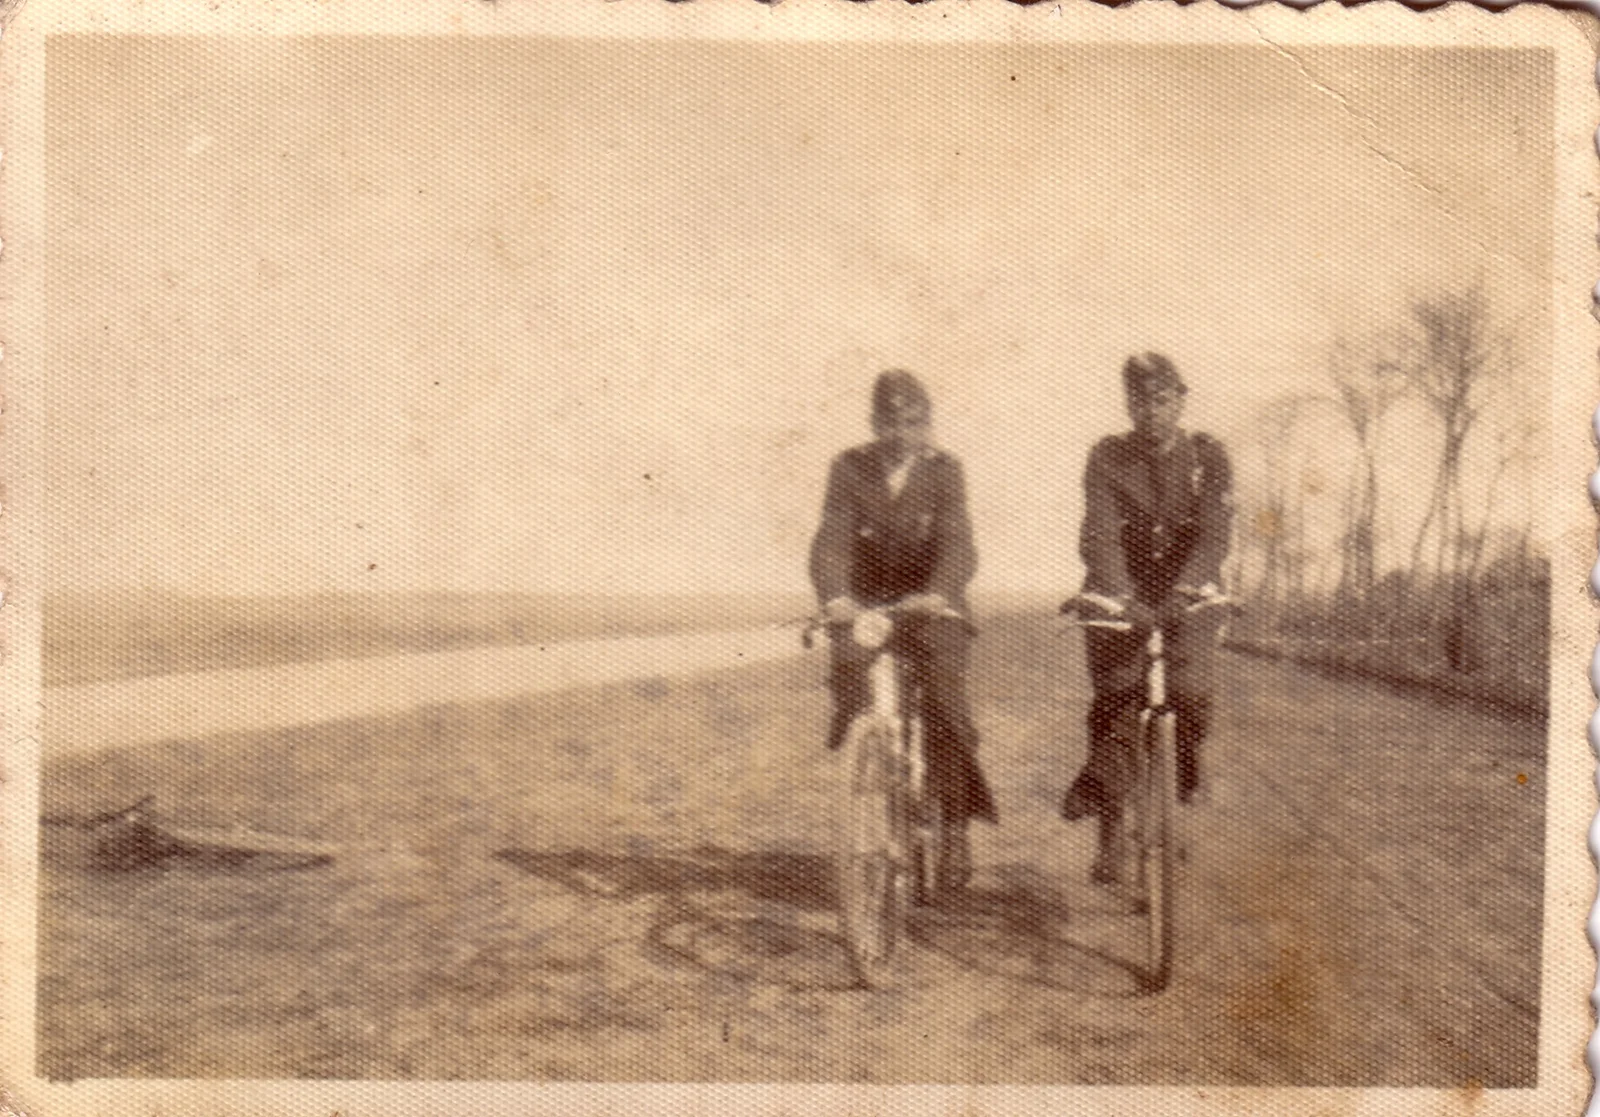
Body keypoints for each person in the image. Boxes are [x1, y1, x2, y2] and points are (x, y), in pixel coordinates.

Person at [810, 369, 998, 890]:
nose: (901, 434)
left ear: (927, 424)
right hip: (868, 607)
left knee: (944, 702)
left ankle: (955, 826)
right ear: (874, 424)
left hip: (931, 607)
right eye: (890, 423)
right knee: (851, 674)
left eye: (913, 423)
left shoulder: (944, 470)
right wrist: (836, 597)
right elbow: (830, 540)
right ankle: (864, 759)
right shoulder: (849, 467)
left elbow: (959, 543)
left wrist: (940, 592)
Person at [1060, 352, 1234, 885]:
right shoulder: (1107, 457)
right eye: (1139, 401)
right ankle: (1111, 832)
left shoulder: (1208, 456)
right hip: (1122, 596)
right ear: (1127, 404)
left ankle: (1187, 762)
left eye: (1161, 400)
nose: (1150, 411)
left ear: (1180, 400)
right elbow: (1099, 533)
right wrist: (1121, 594)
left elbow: (1214, 535)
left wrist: (1186, 589)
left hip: (1188, 594)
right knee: (1118, 698)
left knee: (1192, 692)